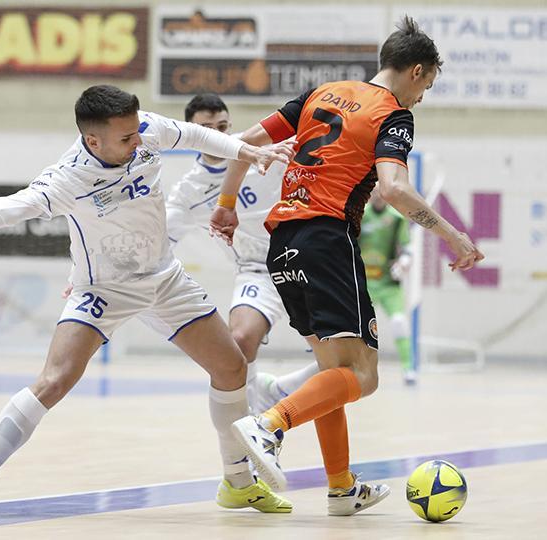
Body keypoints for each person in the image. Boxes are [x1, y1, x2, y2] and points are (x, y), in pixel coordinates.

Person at [0, 84, 295, 517]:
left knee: (232, 367)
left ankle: (238, 482)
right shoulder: (68, 178)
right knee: (54, 380)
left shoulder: (143, 128)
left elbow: (194, 136)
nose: (137, 141)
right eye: (125, 138)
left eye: (137, 132)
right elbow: (17, 206)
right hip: (103, 291)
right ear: (94, 141)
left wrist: (249, 154)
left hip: (165, 279)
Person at [209, 17, 484, 516]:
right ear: (417, 72)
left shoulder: (323, 93)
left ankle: (341, 487)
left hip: (282, 241)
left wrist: (226, 203)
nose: (422, 98)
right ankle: (268, 424)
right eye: (427, 87)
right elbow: (395, 189)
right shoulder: (394, 114)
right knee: (365, 374)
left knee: (331, 369)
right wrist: (452, 236)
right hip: (328, 240)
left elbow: (244, 143)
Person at [166, 93, 321, 413]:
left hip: (308, 262)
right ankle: (248, 433)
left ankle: (276, 391)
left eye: (223, 127)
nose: (217, 136)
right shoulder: (189, 192)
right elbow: (158, 241)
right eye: (206, 129)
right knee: (240, 339)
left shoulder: (262, 148)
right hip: (257, 269)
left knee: (345, 361)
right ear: (191, 134)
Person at [360, 189, 417, 384]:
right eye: (373, 191)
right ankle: (357, 367)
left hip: (388, 284)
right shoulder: (360, 215)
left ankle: (408, 368)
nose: (377, 195)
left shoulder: (396, 219)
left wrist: (403, 263)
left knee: (399, 322)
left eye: (380, 191)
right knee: (357, 328)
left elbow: (406, 249)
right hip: (364, 284)